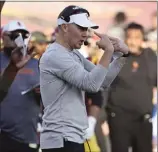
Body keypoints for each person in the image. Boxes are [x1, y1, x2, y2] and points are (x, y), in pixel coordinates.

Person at [39, 5, 129, 152]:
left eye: (87, 29)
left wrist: (121, 56)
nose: (85, 34)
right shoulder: (55, 55)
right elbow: (91, 84)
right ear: (65, 27)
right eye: (81, 28)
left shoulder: (73, 54)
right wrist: (108, 52)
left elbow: (103, 81)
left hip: (70, 137)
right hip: (61, 139)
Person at [106, 22, 157, 152]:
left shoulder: (150, 57)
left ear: (142, 40)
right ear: (125, 39)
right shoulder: (116, 58)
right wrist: (101, 118)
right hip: (119, 119)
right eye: (130, 37)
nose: (133, 41)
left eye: (137, 37)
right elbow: (104, 88)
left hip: (143, 120)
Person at [0, 20, 40, 152]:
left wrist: (42, 94)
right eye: (14, 35)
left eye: (23, 36)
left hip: (26, 136)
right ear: (3, 36)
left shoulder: (37, 64)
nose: (19, 39)